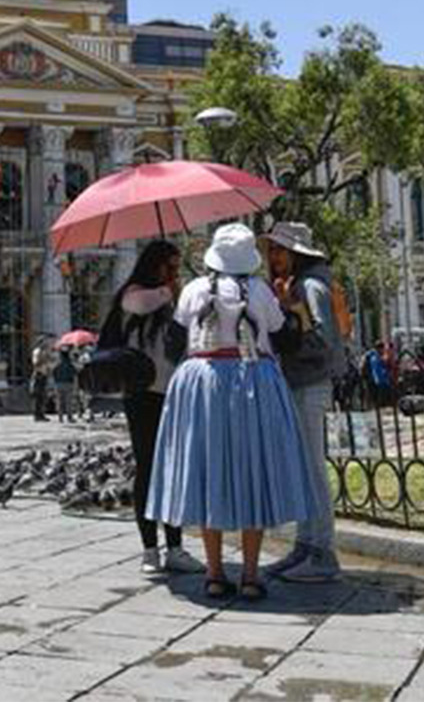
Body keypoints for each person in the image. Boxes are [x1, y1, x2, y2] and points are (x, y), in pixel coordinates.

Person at [147, 223, 321, 601]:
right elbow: (285, 339)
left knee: (210, 472)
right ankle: (251, 575)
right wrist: (288, 308)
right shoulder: (259, 291)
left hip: (202, 384)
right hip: (252, 380)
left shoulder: (193, 290)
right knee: (252, 473)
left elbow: (175, 346)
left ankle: (213, 572)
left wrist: (177, 304)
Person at [97, 239, 205, 577]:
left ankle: (175, 546)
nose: (173, 273)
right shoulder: (135, 294)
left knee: (173, 470)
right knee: (146, 467)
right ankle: (149, 548)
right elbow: (140, 303)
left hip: (173, 392)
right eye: (168, 266)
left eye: (176, 267)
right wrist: (172, 291)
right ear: (152, 265)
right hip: (141, 393)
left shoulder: (171, 301)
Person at [263, 221, 346, 582]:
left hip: (311, 383)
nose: (274, 258)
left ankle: (323, 552)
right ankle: (305, 545)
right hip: (297, 382)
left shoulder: (312, 286)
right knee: (303, 468)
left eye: (280, 251)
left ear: (296, 254)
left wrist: (290, 338)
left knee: (313, 470)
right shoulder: (295, 286)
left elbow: (325, 339)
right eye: (272, 251)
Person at [29, 338, 54, 422]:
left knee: (43, 396)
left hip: (43, 374)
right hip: (39, 375)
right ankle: (37, 415)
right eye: (44, 342)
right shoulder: (37, 351)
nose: (47, 344)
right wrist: (44, 358)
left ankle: (41, 414)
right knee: (38, 396)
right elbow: (36, 363)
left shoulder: (44, 351)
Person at [52, 345, 78, 423]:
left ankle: (60, 417)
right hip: (68, 384)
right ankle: (69, 417)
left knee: (59, 401)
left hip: (58, 384)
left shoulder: (57, 364)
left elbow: (54, 373)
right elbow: (75, 373)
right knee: (68, 402)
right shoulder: (70, 365)